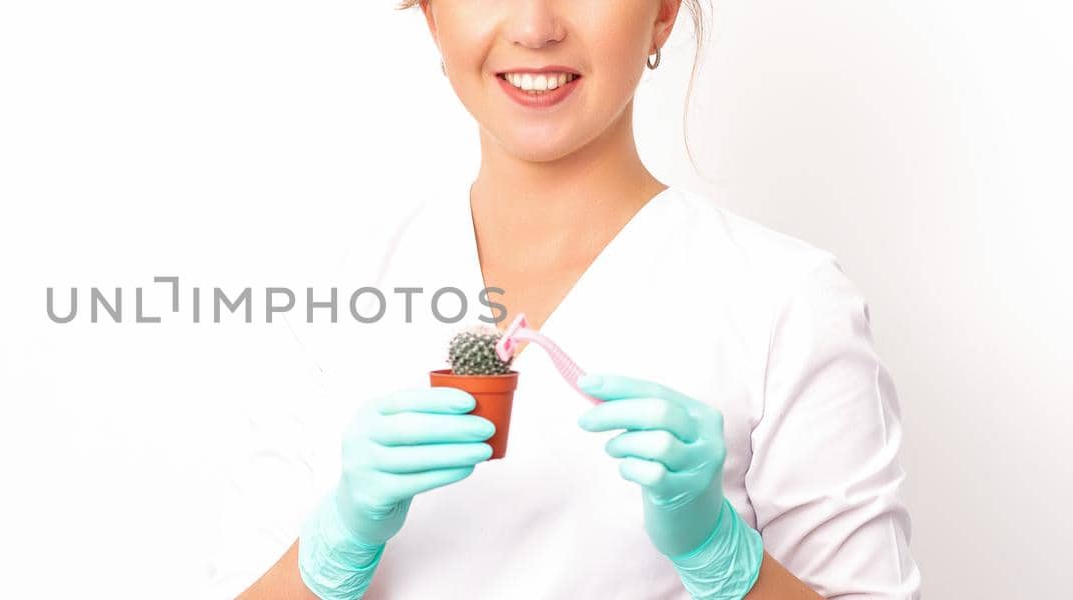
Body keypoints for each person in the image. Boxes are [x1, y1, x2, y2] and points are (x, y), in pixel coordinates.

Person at [211, 1, 920, 598]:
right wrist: (334, 546)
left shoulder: (785, 301)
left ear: (663, 13)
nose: (535, 25)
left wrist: (721, 557)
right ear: (430, 13)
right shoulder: (343, 286)